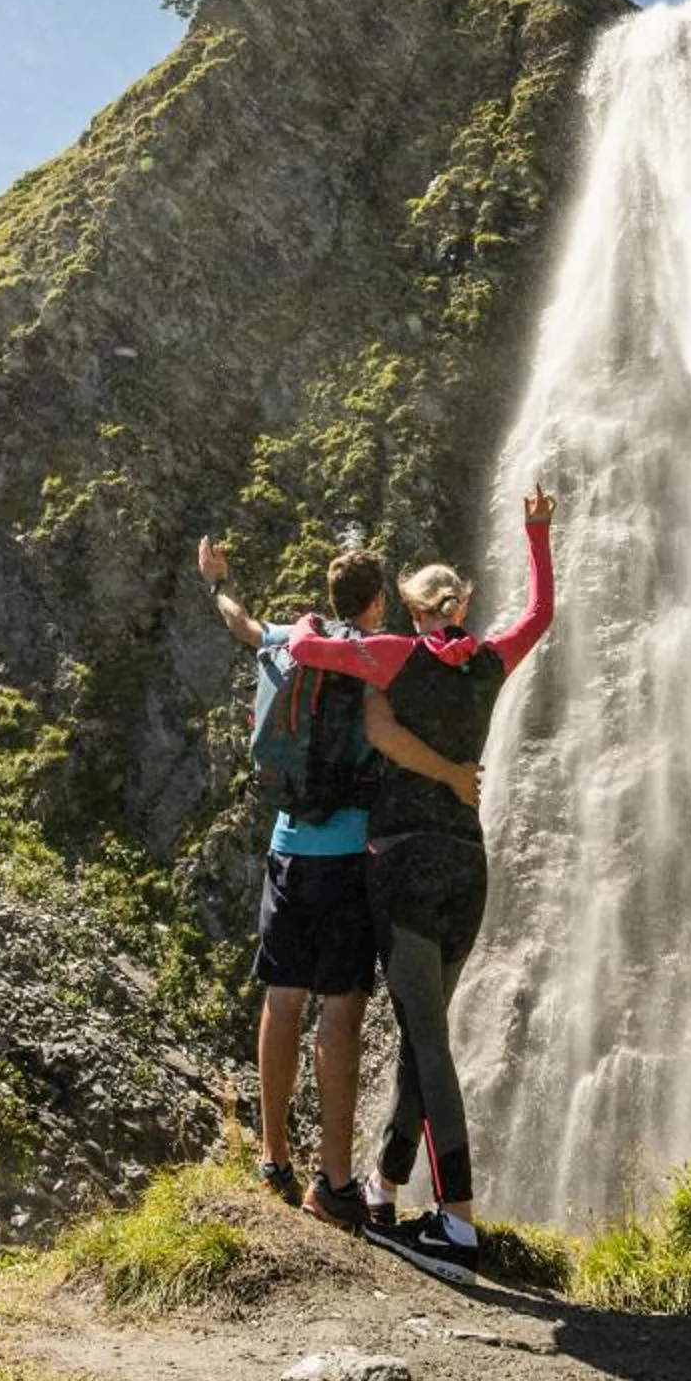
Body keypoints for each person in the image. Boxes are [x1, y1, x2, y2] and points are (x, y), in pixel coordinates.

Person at [281, 485, 553, 1284]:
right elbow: (540, 613)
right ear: (463, 603)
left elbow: (305, 652)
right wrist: (538, 534)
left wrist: (305, 623)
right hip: (468, 867)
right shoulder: (494, 661)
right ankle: (385, 1184)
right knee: (421, 1029)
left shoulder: (396, 656)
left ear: (411, 608)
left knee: (427, 1040)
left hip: (401, 867)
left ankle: (458, 1225)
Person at [196, 535, 402, 1230]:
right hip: (348, 856)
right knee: (339, 1010)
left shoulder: (288, 640)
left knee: (282, 1000)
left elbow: (237, 621)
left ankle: (273, 1159)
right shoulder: (373, 658)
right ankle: (335, 1182)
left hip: (287, 847)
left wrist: (216, 580)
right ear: (376, 601)